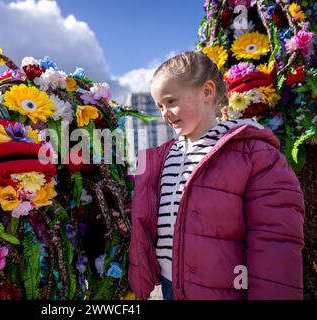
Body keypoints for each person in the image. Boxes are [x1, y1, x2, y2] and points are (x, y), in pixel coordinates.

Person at [128, 51, 305, 300]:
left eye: (170, 101)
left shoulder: (253, 153)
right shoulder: (161, 158)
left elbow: (275, 240)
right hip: (171, 287)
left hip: (225, 290)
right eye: (159, 106)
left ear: (207, 92)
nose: (164, 113)